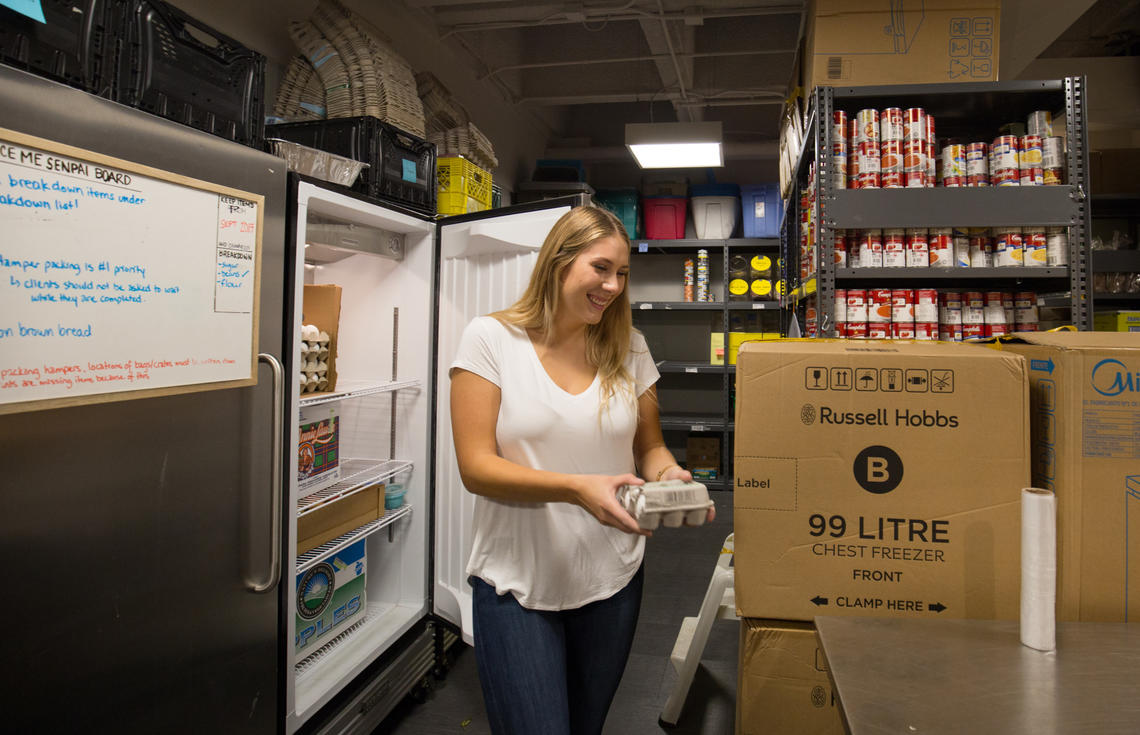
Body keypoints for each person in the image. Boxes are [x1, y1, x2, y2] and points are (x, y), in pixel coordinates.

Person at [448, 205, 714, 735]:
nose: (614, 286)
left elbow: (652, 448)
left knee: (586, 727)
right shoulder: (491, 340)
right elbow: (475, 468)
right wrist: (575, 488)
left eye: (622, 274)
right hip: (516, 581)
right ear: (558, 262)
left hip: (610, 576)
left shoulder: (629, 348)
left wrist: (670, 478)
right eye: (601, 268)